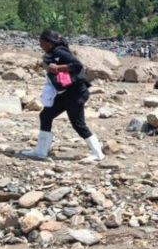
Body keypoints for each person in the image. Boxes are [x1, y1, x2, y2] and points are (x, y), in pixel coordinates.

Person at [21, 30, 104, 162]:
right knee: (45, 115)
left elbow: (77, 65)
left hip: (76, 93)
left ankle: (97, 153)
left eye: (41, 42)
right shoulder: (52, 53)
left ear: (49, 42)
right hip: (65, 94)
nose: (40, 44)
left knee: (78, 124)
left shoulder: (60, 51)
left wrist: (58, 68)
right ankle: (41, 151)